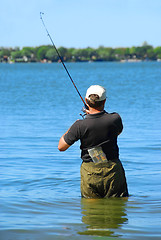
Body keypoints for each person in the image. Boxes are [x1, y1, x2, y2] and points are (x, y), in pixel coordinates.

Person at [58, 85, 129, 198]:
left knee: (91, 212)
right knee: (117, 212)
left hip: (90, 173)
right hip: (113, 171)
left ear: (86, 100)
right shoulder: (115, 118)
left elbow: (61, 147)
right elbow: (117, 132)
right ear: (104, 101)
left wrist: (74, 127)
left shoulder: (79, 125)